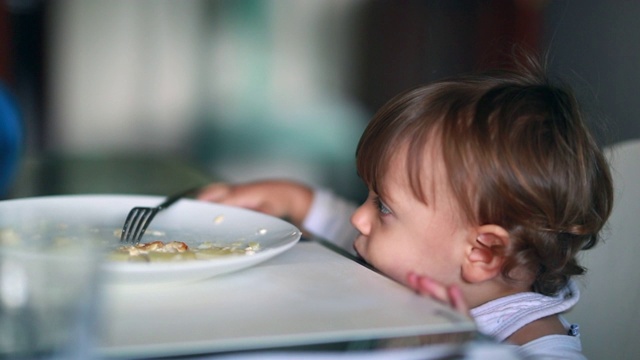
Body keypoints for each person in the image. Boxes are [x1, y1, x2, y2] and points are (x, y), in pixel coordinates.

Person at [197, 57, 613, 359]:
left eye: (384, 207)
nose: (359, 219)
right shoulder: (424, 259)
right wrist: (293, 198)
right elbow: (347, 227)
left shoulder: (537, 346)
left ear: (482, 252)